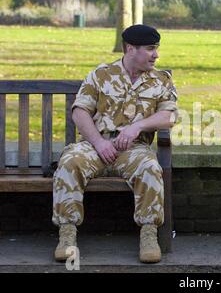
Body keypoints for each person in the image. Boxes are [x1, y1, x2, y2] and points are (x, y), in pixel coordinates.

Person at [52, 24, 178, 263]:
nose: (156, 55)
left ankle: (149, 235)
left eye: (157, 49)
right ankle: (67, 234)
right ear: (131, 49)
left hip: (134, 150)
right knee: (70, 162)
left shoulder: (161, 81)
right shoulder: (101, 75)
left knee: (150, 167)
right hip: (95, 147)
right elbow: (80, 112)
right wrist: (99, 142)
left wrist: (137, 126)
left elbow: (169, 116)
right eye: (150, 49)